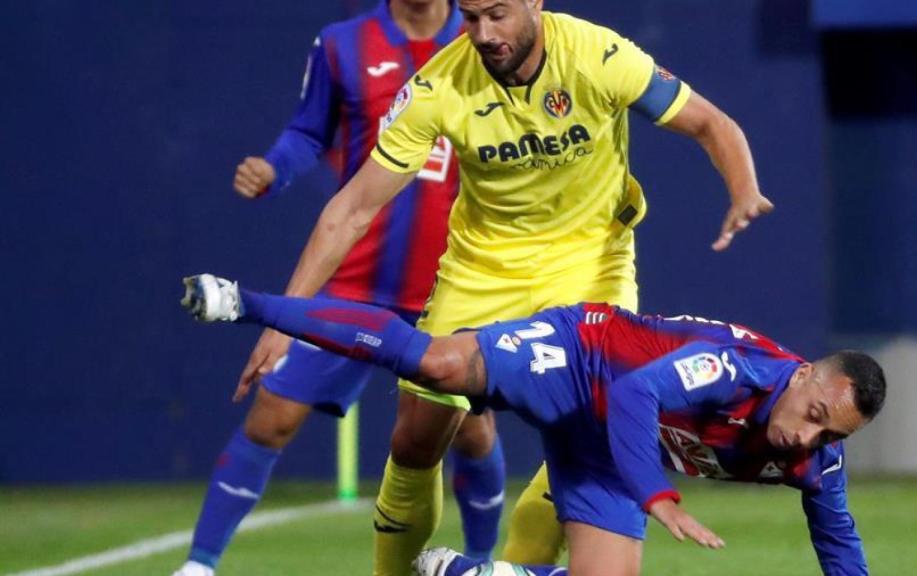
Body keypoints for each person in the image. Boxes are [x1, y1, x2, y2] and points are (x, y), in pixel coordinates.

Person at [235, 1, 775, 572]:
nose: (483, 34)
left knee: (590, 441)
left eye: (497, 15)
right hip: (482, 270)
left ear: (534, 3)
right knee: (414, 440)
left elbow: (712, 124)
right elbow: (351, 209)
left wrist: (743, 189)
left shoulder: (598, 54)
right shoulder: (440, 84)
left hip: (590, 267)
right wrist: (284, 319)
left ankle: (511, 567)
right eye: (470, 17)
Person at [181, 274, 886, 576]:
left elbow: (840, 547)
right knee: (436, 365)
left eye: (832, 437)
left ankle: (466, 571)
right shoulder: (740, 368)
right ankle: (246, 303)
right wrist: (659, 497)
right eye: (815, 415)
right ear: (803, 376)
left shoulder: (811, 463)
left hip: (609, 448)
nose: (808, 437)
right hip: (586, 359)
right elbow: (640, 396)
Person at [173, 3, 508, 576]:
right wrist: (276, 169)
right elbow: (309, 130)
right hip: (354, 281)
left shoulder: (486, 37)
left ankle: (481, 564)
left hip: (452, 283)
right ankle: (199, 567)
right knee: (272, 414)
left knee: (470, 432)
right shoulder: (343, 45)